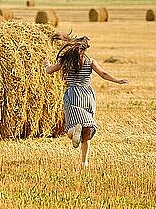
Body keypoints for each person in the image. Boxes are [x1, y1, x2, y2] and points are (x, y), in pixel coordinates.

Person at [44, 33, 129, 167]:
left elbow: (49, 71)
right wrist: (117, 80)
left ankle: (74, 133)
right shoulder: (90, 62)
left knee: (71, 128)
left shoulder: (65, 61)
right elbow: (103, 74)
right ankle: (84, 162)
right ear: (85, 49)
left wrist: (46, 64)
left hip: (72, 96)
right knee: (87, 129)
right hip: (87, 96)